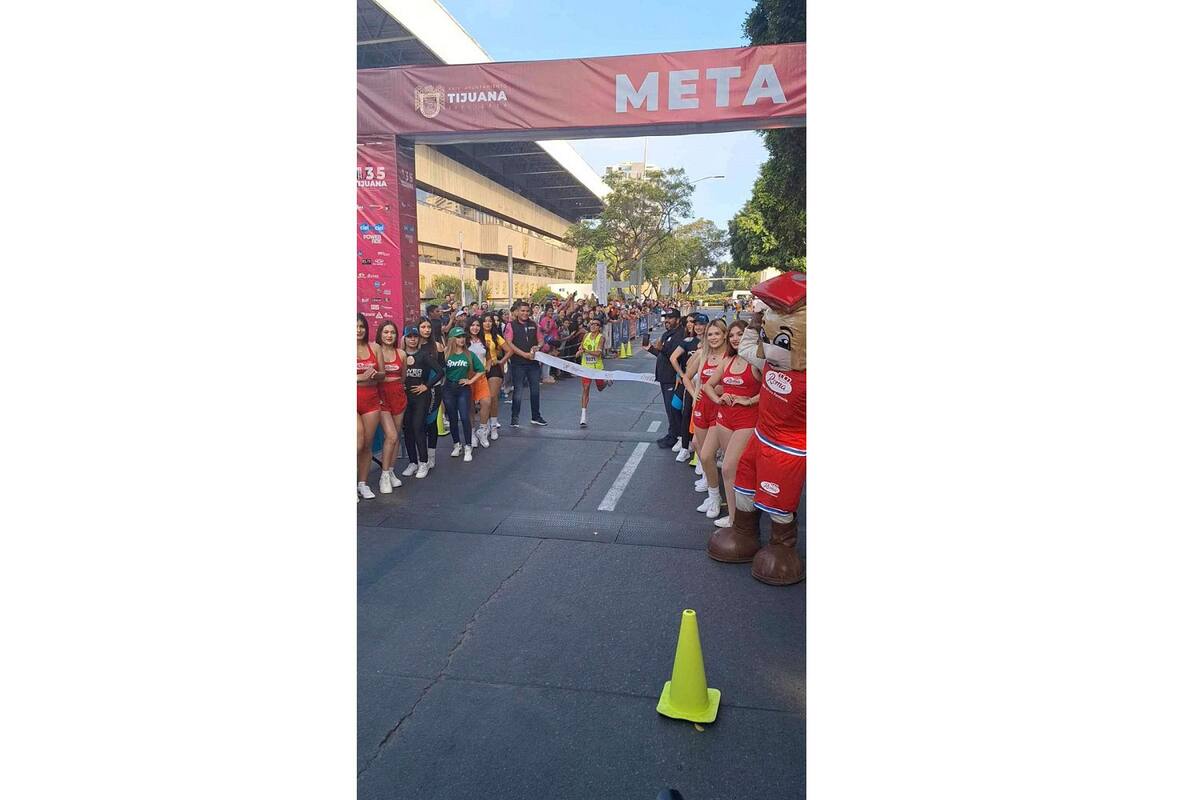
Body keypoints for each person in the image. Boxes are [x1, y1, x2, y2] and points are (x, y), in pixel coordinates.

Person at [698, 320, 760, 525]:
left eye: (740, 334)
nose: (735, 339)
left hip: (747, 421)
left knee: (728, 468)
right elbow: (707, 386)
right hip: (724, 419)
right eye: (732, 335)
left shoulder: (757, 362)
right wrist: (718, 399)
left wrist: (749, 400)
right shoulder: (727, 362)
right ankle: (734, 517)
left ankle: (741, 520)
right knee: (732, 469)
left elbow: (770, 390)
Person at [690, 319, 729, 494]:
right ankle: (709, 482)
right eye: (710, 334)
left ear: (724, 335)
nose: (713, 338)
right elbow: (696, 379)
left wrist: (719, 389)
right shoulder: (704, 354)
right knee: (700, 446)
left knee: (707, 454)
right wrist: (695, 397)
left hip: (720, 409)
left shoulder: (730, 357)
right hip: (702, 407)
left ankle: (716, 496)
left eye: (717, 333)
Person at [399, 324, 439, 479]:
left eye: (415, 336)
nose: (412, 339)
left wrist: (426, 386)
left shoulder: (423, 355)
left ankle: (423, 462)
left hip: (421, 398)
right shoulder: (400, 355)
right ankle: (413, 462)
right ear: (404, 338)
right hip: (404, 397)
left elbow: (440, 372)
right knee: (407, 430)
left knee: (418, 428)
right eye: (409, 336)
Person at [442, 326, 485, 462]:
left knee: (465, 417)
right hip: (448, 388)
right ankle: (457, 444)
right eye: (458, 336)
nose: (461, 339)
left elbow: (481, 370)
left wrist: (470, 380)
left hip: (463, 388)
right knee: (453, 418)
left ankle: (468, 446)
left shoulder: (469, 354)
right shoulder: (446, 354)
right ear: (452, 339)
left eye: (463, 337)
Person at [646, 308, 687, 449]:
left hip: (673, 377)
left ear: (677, 319)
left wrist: (662, 348)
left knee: (673, 409)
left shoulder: (680, 334)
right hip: (664, 377)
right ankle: (672, 434)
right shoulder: (666, 334)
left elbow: (675, 356)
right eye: (666, 318)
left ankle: (677, 436)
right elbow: (661, 355)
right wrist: (651, 349)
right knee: (669, 409)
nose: (667, 321)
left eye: (670, 318)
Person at [375, 320, 407, 494]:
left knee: (396, 436)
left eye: (392, 332)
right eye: (386, 332)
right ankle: (384, 475)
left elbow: (403, 378)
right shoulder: (375, 351)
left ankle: (391, 470)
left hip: (398, 396)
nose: (389, 335)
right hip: (380, 398)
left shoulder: (401, 354)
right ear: (380, 333)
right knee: (391, 435)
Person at [504, 302, 549, 427]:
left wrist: (538, 346)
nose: (525, 313)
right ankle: (514, 418)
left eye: (527, 311)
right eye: (522, 311)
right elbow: (509, 343)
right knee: (518, 391)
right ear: (517, 312)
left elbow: (541, 339)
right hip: (518, 363)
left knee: (535, 390)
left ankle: (536, 416)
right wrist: (523, 354)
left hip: (533, 363)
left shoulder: (534, 324)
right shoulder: (510, 325)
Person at [670, 314, 703, 462]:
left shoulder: (714, 343)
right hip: (690, 384)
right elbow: (674, 358)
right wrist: (681, 374)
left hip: (708, 386)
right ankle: (684, 444)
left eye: (701, 324)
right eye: (695, 324)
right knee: (683, 410)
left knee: (701, 418)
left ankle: (699, 449)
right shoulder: (688, 341)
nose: (697, 326)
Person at [356, 313, 383, 499]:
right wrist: (360, 377)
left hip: (371, 399)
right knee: (357, 439)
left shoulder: (375, 347)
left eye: (361, 326)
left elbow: (382, 374)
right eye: (355, 327)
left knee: (367, 443)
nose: (358, 330)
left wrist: (374, 375)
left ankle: (362, 483)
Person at [418, 317, 445, 470]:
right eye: (423, 326)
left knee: (431, 422)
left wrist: (430, 385)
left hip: (433, 389)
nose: (426, 330)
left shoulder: (437, 346)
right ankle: (418, 459)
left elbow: (442, 370)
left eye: (428, 327)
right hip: (415, 391)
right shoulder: (409, 343)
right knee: (417, 424)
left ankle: (431, 456)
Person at [480, 313, 510, 441]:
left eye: (490, 321)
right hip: (479, 370)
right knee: (484, 400)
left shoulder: (495, 336)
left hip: (494, 368)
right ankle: (484, 427)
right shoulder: (476, 336)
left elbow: (509, 350)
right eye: (485, 321)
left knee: (492, 397)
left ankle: (493, 426)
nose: (487, 323)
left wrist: (501, 361)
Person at [465, 316, 492, 449]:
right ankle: (471, 433)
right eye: (472, 325)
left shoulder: (483, 341)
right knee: (470, 407)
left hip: (481, 377)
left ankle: (482, 430)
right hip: (468, 377)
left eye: (477, 325)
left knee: (486, 402)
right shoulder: (463, 341)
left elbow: (488, 357)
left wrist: (488, 365)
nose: (475, 328)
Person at [578, 317, 608, 428]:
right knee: (586, 388)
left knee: (600, 388)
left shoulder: (601, 338)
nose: (593, 326)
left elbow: (598, 354)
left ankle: (606, 381)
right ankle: (583, 415)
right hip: (586, 367)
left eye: (596, 324)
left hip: (597, 368)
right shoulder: (586, 336)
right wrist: (579, 352)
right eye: (592, 324)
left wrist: (586, 351)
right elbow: (581, 348)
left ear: (599, 328)